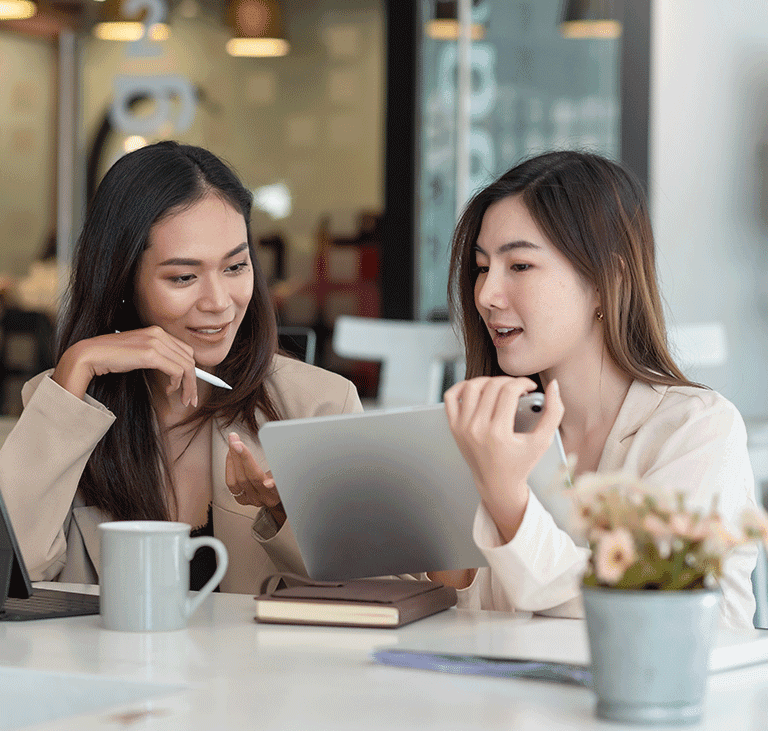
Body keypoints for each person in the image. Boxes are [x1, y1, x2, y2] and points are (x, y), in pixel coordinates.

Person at [0, 141, 362, 594]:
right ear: (123, 280)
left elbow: (362, 595)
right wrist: (77, 364)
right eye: (183, 277)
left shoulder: (319, 406)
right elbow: (13, 575)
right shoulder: (65, 403)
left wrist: (284, 511)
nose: (218, 302)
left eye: (235, 266)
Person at [437, 150, 757, 628]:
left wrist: (506, 500)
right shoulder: (488, 432)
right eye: (482, 267)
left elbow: (653, 613)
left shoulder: (696, 429)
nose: (485, 295)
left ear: (610, 279)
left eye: (519, 266)